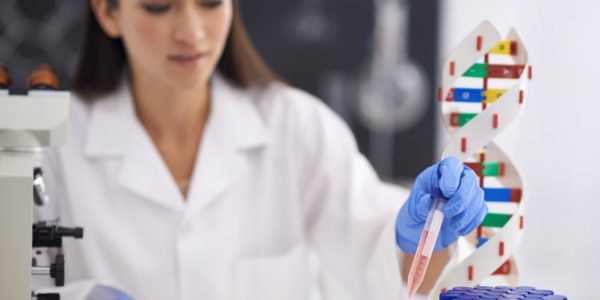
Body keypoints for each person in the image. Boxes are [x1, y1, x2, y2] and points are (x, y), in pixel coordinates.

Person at [33, 0, 487, 299]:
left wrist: (426, 233)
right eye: (158, 5)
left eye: (210, 2)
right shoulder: (50, 145)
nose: (191, 31)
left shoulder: (295, 127)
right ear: (108, 12)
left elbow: (390, 273)